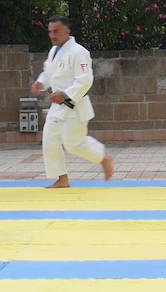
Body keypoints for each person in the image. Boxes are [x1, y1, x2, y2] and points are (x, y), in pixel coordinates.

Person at [33, 15, 113, 187]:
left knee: (74, 145)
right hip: (57, 106)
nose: (53, 35)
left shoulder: (79, 52)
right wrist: (40, 82)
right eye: (50, 32)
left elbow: (85, 80)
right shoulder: (54, 51)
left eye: (56, 32)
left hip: (74, 105)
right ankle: (61, 178)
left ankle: (103, 157)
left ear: (66, 31)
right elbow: (48, 72)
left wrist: (66, 94)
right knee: (49, 140)